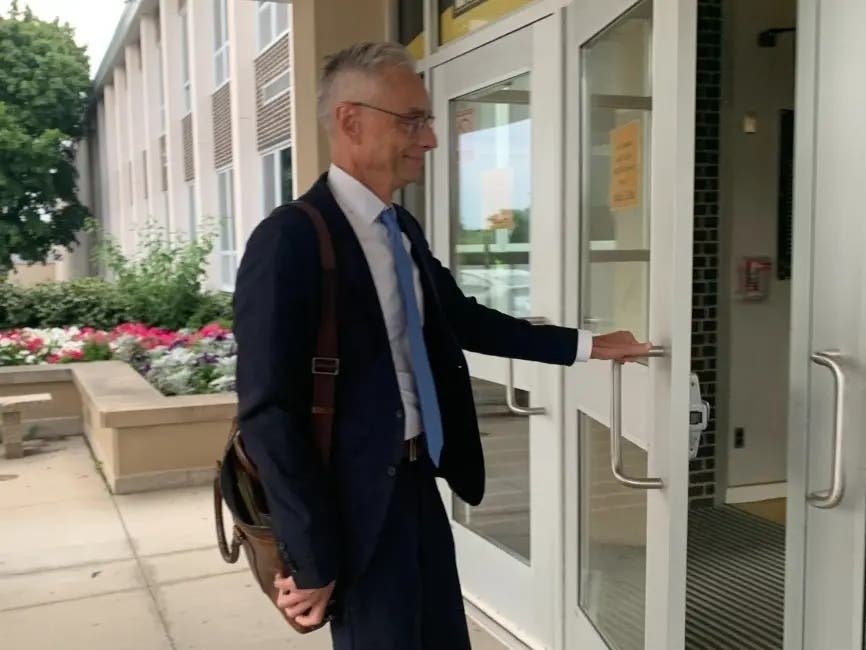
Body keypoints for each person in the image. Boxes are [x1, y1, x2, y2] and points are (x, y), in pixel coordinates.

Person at [233, 41, 651, 650]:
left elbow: (463, 320)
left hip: (415, 484)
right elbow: (269, 413)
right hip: (352, 508)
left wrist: (588, 345)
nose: (428, 139)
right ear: (350, 121)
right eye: (412, 121)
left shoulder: (400, 229)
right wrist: (313, 556)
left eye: (425, 121)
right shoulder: (291, 240)